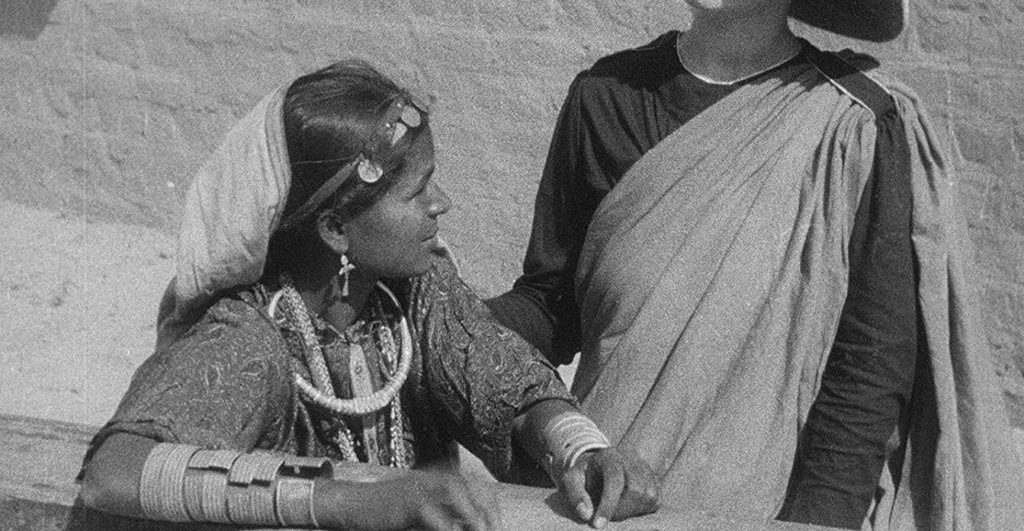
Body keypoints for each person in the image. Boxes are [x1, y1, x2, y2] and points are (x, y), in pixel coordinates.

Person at [488, 0, 1024, 530]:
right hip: (607, 496)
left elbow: (870, 372)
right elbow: (553, 306)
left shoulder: (858, 129)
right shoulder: (606, 96)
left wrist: (812, 525)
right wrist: (423, 319)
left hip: (767, 507)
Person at [78, 60, 659, 530]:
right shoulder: (249, 340)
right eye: (418, 191)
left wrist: (579, 449)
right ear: (336, 228)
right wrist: (354, 502)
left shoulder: (414, 299)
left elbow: (504, 381)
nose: (441, 205)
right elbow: (116, 472)